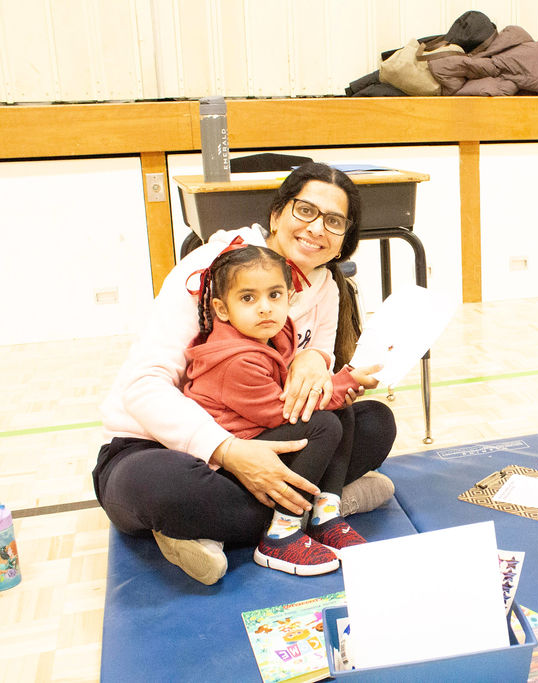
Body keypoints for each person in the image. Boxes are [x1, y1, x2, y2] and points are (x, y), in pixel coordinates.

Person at [94, 163, 396, 585]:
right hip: (160, 447)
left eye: (334, 221)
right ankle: (323, 507)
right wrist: (227, 451)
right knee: (158, 487)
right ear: (276, 215)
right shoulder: (214, 271)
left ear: (345, 238)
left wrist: (317, 361)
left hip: (261, 430)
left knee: (373, 423)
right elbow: (142, 388)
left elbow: (318, 357)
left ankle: (211, 528)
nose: (316, 229)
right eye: (305, 211)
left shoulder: (326, 286)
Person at [184, 243, 383, 575]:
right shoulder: (234, 360)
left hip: (262, 434)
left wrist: (336, 388)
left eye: (274, 295)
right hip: (236, 462)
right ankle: (280, 535)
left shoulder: (275, 333)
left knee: (342, 414)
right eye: (248, 298)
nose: (265, 308)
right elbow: (285, 412)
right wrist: (343, 382)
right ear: (221, 308)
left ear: (290, 296)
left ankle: (324, 515)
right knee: (325, 425)